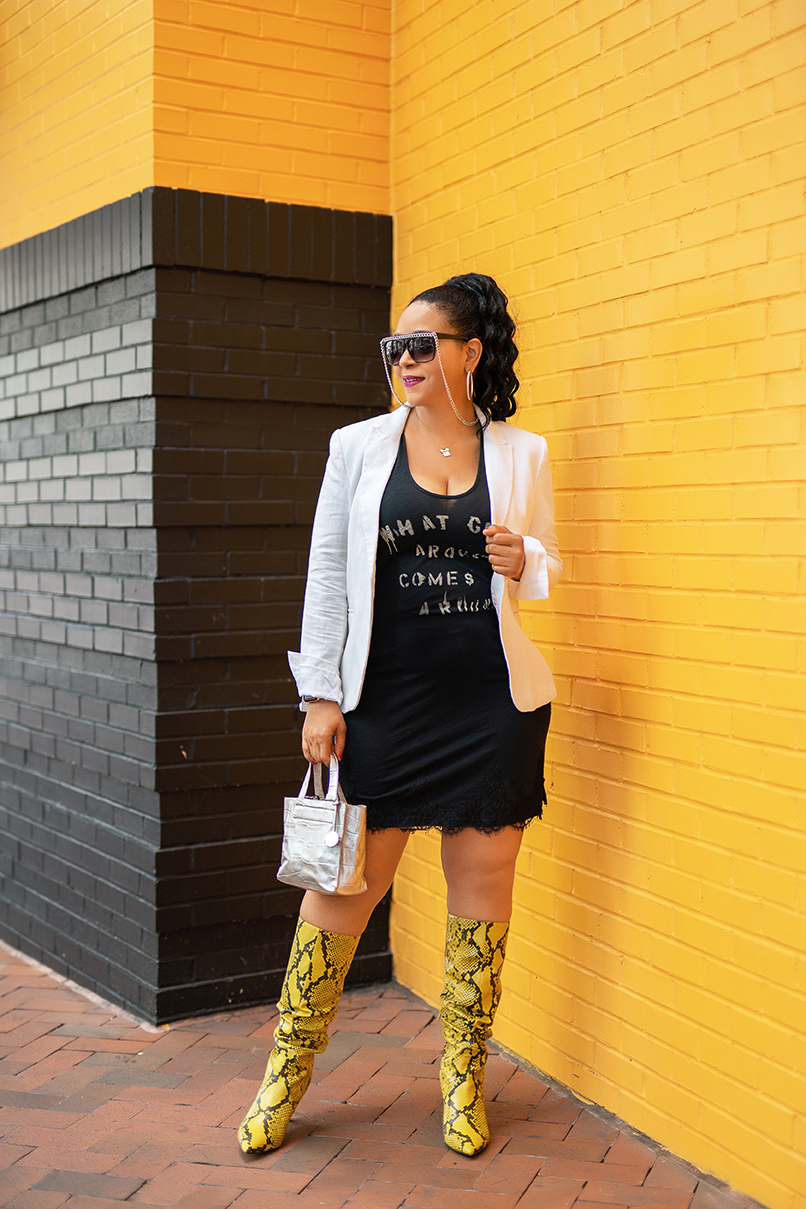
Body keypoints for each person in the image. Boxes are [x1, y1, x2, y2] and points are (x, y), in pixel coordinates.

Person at [238, 273, 562, 1158]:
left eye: (423, 345)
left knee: (481, 896)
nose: (405, 360)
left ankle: (463, 1078)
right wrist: (320, 694)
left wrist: (521, 552)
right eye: (396, 347)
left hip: (491, 705)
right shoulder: (359, 448)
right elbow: (329, 575)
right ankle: (286, 1072)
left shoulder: (522, 452)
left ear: (470, 351)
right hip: (383, 703)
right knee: (340, 891)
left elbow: (548, 561)